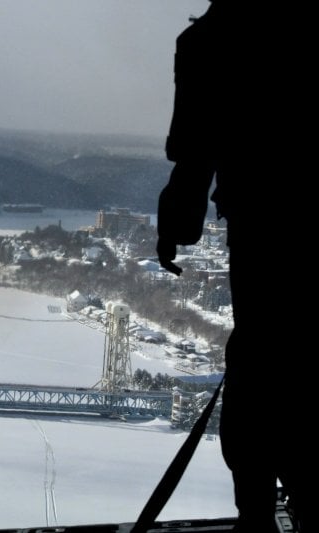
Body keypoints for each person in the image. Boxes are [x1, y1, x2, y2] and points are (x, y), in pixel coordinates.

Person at [156, 2, 312, 532]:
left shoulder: (212, 41)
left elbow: (194, 158)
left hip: (265, 232)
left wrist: (176, 226)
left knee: (262, 364)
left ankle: (257, 512)